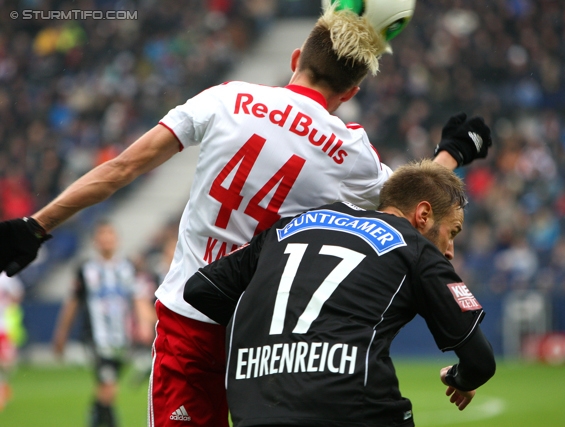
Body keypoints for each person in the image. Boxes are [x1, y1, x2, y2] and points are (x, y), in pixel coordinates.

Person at [0, 6, 491, 427]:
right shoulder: (349, 150)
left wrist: (37, 225)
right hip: (270, 341)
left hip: (189, 321)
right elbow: (410, 203)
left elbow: (123, 168)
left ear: (297, 60)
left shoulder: (226, 98)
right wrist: (449, 153)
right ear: (353, 90)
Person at [184, 159, 496, 427]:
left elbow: (200, 289)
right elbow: (480, 362)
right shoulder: (414, 249)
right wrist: (461, 379)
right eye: (452, 232)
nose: (451, 251)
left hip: (254, 409)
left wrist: (263, 337)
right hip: (353, 409)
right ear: (423, 215)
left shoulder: (288, 228)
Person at [52, 221, 152, 427]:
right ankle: (109, 422)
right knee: (108, 386)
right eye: (102, 235)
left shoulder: (127, 268)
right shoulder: (85, 270)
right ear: (95, 241)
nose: (106, 239)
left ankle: (95, 416)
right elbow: (72, 304)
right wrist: (61, 334)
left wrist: (144, 324)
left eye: (110, 235)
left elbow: (138, 299)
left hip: (121, 339)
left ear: (117, 240)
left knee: (107, 388)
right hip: (95, 338)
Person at [0, 272, 25, 411]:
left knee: (6, 362)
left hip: (4, 326)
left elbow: (18, 292)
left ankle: (4, 385)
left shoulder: (5, 276)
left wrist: (10, 307)